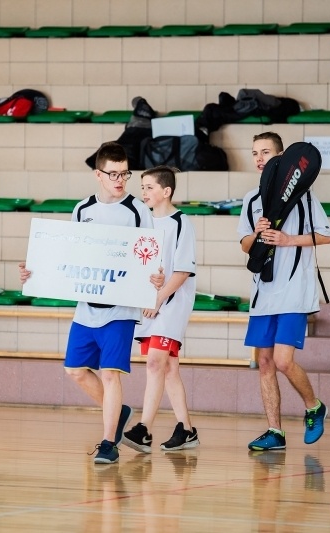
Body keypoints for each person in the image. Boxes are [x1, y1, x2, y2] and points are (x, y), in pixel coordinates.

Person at [19, 141, 162, 464]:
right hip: (87, 306)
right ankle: (119, 411)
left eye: (125, 174)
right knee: (75, 370)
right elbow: (68, 255)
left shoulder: (137, 210)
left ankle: (108, 442)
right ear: (98, 174)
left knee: (111, 373)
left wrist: (154, 278)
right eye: (113, 174)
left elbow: (149, 256)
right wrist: (35, 272)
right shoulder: (82, 209)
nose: (120, 180)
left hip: (121, 308)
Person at [236, 132, 330, 451]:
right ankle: (274, 431)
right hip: (263, 293)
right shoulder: (251, 199)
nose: (259, 158)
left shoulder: (305, 197)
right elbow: (245, 246)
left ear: (283, 159)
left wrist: (291, 240)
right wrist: (257, 234)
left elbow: (327, 236)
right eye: (254, 153)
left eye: (266, 152)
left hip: (294, 292)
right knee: (264, 362)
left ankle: (314, 406)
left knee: (282, 360)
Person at [122, 165, 199, 454]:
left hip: (171, 303)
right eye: (142, 188)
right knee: (168, 368)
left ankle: (143, 429)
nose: (144, 193)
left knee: (155, 362)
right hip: (149, 303)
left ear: (166, 191)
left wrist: (158, 299)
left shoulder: (181, 222)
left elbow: (182, 272)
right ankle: (187, 430)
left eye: (149, 187)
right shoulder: (142, 223)